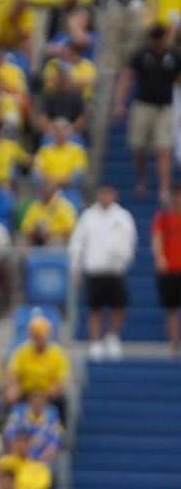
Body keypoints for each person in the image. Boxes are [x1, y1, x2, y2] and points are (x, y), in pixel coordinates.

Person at [113, 22, 181, 201]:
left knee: (164, 146)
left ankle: (164, 188)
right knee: (139, 144)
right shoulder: (142, 54)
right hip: (142, 105)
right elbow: (127, 76)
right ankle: (142, 179)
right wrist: (119, 102)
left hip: (164, 108)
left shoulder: (173, 56)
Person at [69, 185, 137, 360]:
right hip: (95, 269)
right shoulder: (88, 217)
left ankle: (112, 337)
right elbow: (78, 242)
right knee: (95, 309)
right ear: (98, 194)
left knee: (118, 307)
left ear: (114, 195)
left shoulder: (123, 217)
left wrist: (124, 259)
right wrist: (75, 267)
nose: (105, 196)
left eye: (109, 193)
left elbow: (131, 240)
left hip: (115, 270)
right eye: (102, 193)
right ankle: (95, 341)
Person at [155, 189, 181, 355]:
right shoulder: (163, 217)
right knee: (171, 309)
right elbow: (157, 237)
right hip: (170, 269)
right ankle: (173, 343)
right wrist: (159, 257)